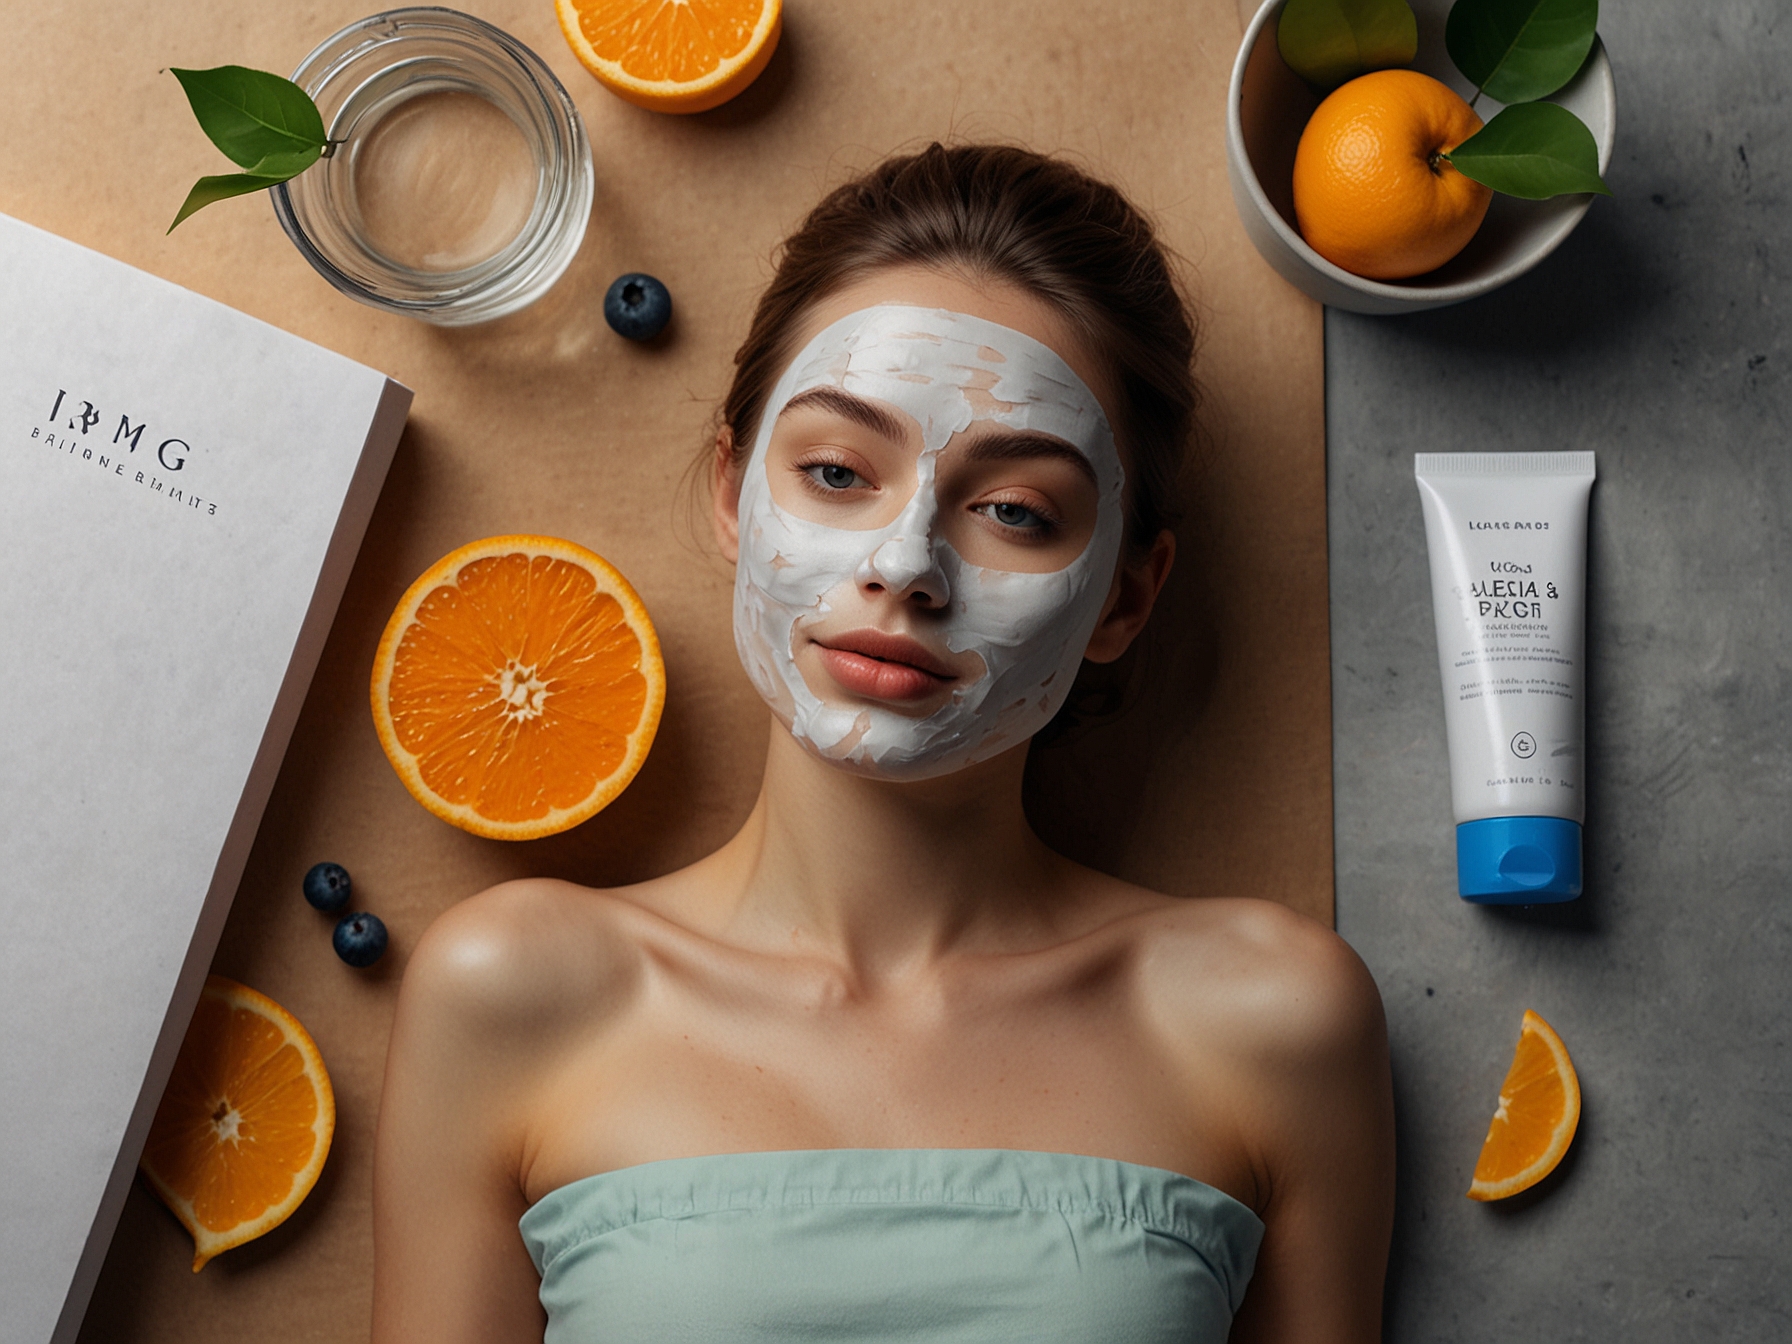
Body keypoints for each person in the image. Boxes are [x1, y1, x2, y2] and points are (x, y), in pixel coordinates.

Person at [371, 143, 1394, 1344]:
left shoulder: (1269, 1020)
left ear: (1124, 596)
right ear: (733, 491)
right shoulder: (518, 993)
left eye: (1014, 510)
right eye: (836, 471)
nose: (904, 565)